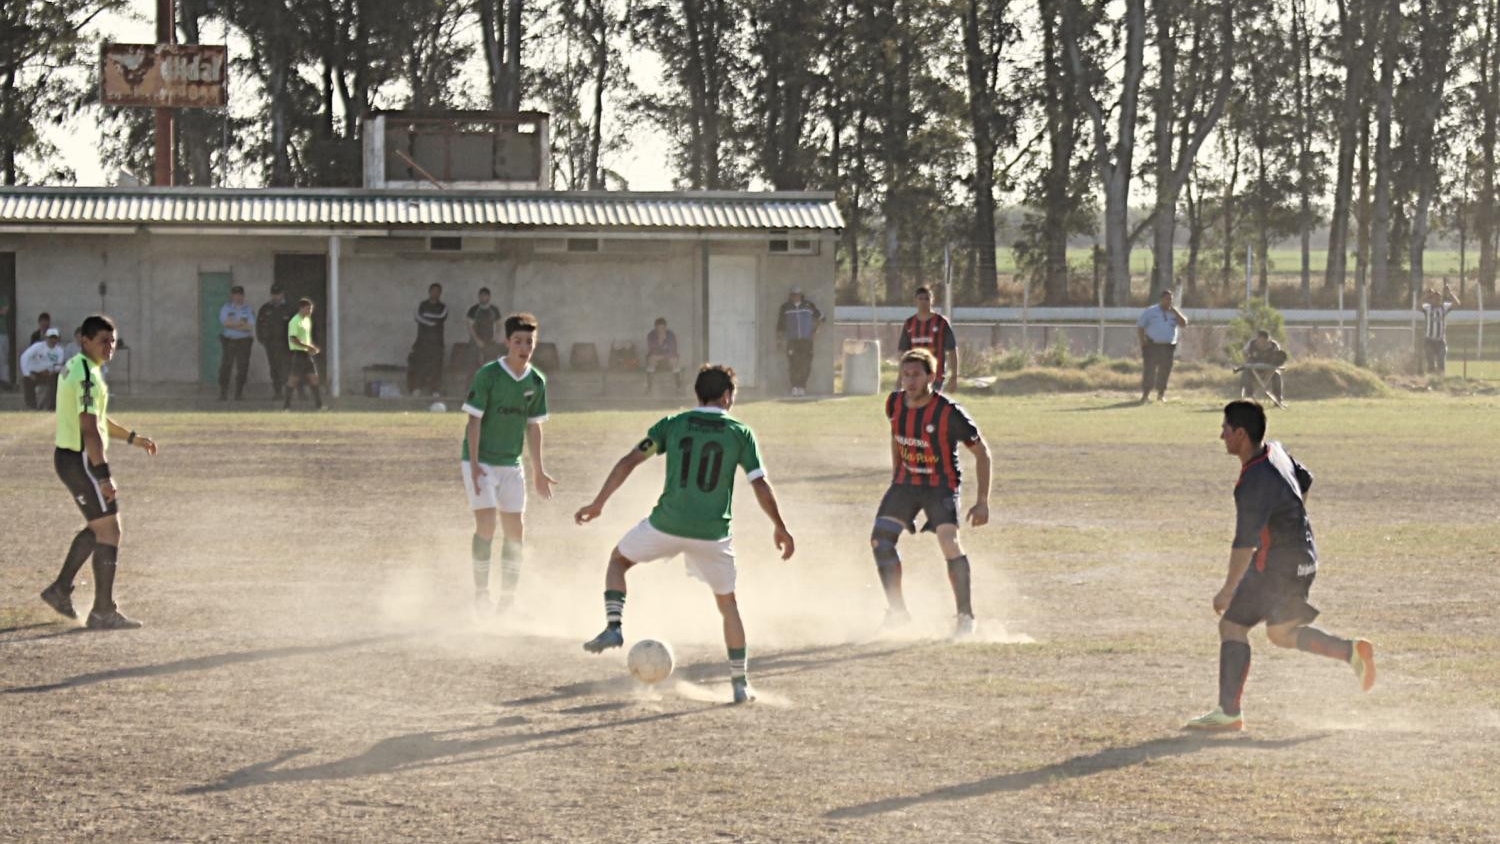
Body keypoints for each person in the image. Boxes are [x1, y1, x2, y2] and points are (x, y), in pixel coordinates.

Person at [576, 364, 795, 704]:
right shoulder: (740, 432)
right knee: (728, 606)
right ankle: (740, 684)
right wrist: (779, 526)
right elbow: (760, 484)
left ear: (698, 394)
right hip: (713, 533)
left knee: (618, 561)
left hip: (666, 524)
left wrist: (599, 502)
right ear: (726, 396)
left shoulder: (672, 425)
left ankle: (614, 626)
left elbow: (629, 461)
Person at [1185, 400, 1376, 731]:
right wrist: (1289, 518)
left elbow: (1244, 543)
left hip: (1277, 566)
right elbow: (1305, 479)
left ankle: (1228, 714)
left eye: (1225, 429)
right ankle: (1351, 652)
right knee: (1281, 633)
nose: (1221, 436)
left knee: (1232, 627)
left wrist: (1227, 590)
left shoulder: (1253, 482)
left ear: (1241, 434)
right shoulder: (1276, 452)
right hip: (1304, 558)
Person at [39, 314, 159, 630]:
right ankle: (102, 611)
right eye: (103, 341)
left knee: (99, 528)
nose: (110, 346)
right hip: (80, 460)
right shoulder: (87, 376)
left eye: (113, 341)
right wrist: (103, 476)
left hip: (71, 457)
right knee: (110, 530)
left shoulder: (82, 368)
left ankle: (60, 590)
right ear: (85, 340)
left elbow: (99, 419)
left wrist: (133, 438)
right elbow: (90, 430)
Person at [870, 348, 992, 639]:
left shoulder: (948, 412)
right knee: (880, 540)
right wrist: (896, 474)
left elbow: (982, 453)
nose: (909, 381)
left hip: (940, 486)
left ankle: (965, 617)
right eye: (905, 374)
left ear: (931, 377)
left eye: (916, 375)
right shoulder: (894, 403)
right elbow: (896, 436)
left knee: (949, 542)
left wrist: (982, 502)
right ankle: (898, 613)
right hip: (906, 483)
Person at [461, 313, 557, 615]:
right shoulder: (488, 375)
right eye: (518, 341)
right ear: (507, 342)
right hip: (482, 462)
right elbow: (473, 421)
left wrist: (538, 470)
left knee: (516, 533)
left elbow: (534, 426)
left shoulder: (536, 381)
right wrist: (475, 465)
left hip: (510, 464)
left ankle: (507, 600)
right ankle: (480, 595)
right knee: (487, 525)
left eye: (530, 341)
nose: (524, 346)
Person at [897, 287, 959, 391]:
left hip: (935, 376)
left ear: (932, 300)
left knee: (932, 405)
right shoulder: (909, 324)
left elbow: (952, 350)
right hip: (913, 376)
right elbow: (902, 352)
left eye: (927, 299)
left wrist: (954, 376)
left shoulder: (941, 322)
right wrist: (900, 376)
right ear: (915, 300)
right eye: (920, 299)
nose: (924, 302)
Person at [1136, 289, 1189, 403]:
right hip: (1152, 345)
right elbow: (1140, 326)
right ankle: (1145, 395)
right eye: (1167, 299)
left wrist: (1175, 312)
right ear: (1161, 299)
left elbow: (1184, 324)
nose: (1169, 301)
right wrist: (1142, 341)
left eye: (1171, 299)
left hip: (1168, 346)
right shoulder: (1151, 311)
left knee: (1164, 371)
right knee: (1149, 370)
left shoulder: (1174, 313)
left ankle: (1161, 394)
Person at [776, 286, 823, 396]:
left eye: (797, 294)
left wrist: (816, 331)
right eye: (793, 295)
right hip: (792, 340)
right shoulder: (785, 307)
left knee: (805, 363)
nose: (795, 297)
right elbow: (780, 325)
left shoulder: (808, 306)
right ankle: (794, 387)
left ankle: (802, 387)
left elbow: (821, 318)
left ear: (801, 295)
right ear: (790, 296)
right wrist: (779, 340)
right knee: (793, 363)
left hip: (806, 340)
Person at [257, 283, 297, 400]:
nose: (276, 297)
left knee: (286, 367)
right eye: (274, 294)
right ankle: (278, 391)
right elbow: (259, 325)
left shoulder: (290, 308)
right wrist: (262, 339)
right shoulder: (265, 309)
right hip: (271, 344)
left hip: (285, 344)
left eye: (278, 294)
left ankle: (289, 391)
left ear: (282, 294)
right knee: (274, 367)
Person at [283, 298, 323, 410]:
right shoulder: (295, 321)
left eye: (311, 309)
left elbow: (306, 338)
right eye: (308, 309)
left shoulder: (308, 320)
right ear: (301, 308)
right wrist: (308, 347)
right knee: (293, 380)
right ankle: (286, 406)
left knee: (314, 378)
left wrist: (312, 347)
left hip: (307, 354)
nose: (310, 311)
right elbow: (293, 339)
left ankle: (319, 405)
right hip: (298, 354)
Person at [218, 285, 256, 401]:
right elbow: (225, 323)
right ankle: (223, 393)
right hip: (229, 341)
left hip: (244, 342)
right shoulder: (226, 308)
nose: (237, 297)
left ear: (243, 296)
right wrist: (240, 325)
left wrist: (234, 325)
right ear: (232, 296)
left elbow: (249, 326)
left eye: (240, 295)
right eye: (235, 295)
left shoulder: (248, 309)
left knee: (242, 367)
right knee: (226, 367)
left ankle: (238, 393)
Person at [411, 283, 449, 397]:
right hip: (422, 342)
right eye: (433, 291)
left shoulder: (443, 307)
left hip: (437, 343)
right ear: (429, 292)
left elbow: (441, 318)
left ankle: (435, 390)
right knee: (420, 365)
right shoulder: (422, 305)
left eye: (438, 291)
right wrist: (431, 322)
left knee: (436, 367)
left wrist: (427, 319)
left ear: (440, 293)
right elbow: (417, 317)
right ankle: (417, 388)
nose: (435, 293)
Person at [20, 327, 66, 410]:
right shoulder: (37, 346)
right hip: (33, 372)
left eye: (55, 338)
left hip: (48, 373)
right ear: (46, 338)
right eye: (51, 337)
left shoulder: (60, 351)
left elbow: (57, 366)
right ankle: (31, 406)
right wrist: (27, 373)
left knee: (57, 380)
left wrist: (51, 371)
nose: (53, 340)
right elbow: (24, 357)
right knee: (27, 381)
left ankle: (52, 406)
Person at [1419, 283, 1460, 376]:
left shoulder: (1443, 307)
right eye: (1434, 298)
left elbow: (1457, 304)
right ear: (1431, 299)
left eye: (1439, 298)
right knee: (1431, 363)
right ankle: (1431, 380)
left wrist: (1449, 293)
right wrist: (1425, 296)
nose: (1437, 300)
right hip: (1429, 340)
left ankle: (1440, 381)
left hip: (1441, 340)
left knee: (1441, 362)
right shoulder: (1427, 308)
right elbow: (1418, 305)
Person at [1239, 330, 1286, 404]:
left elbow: (1279, 358)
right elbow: (1244, 352)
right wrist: (1247, 360)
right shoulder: (1251, 344)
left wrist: (1275, 364)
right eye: (1259, 341)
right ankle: (1249, 396)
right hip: (1253, 369)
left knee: (1277, 376)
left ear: (1268, 340)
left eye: (1264, 341)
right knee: (1245, 374)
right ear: (1257, 339)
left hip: (1269, 371)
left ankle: (1278, 399)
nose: (1261, 343)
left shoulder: (1274, 346)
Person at [465, 287, 503, 370]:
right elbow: (470, 326)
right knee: (472, 366)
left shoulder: (494, 310)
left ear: (489, 297)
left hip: (490, 340)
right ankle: (472, 382)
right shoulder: (473, 309)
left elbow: (499, 324)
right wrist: (477, 340)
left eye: (485, 295)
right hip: (475, 341)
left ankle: (489, 382)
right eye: (481, 295)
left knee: (490, 365)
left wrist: (495, 337)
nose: (482, 297)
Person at [644, 317, 682, 392]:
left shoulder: (671, 335)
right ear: (655, 328)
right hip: (656, 358)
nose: (661, 330)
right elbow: (652, 349)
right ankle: (649, 387)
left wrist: (663, 356)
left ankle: (678, 387)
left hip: (668, 357)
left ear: (665, 327)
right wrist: (660, 341)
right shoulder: (651, 335)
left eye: (663, 328)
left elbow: (673, 349)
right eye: (659, 328)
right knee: (652, 359)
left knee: (674, 360)